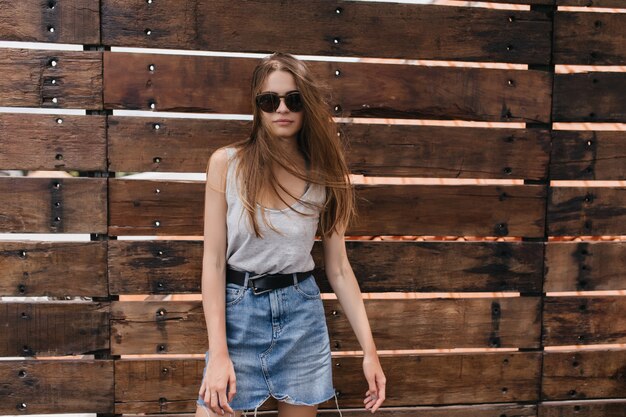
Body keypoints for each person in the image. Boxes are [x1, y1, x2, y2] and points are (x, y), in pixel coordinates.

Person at [196, 52, 386, 417]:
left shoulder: (325, 175)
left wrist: (370, 352)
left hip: (301, 317)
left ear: (306, 105)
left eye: (293, 100)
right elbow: (214, 261)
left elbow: (340, 269)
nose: (281, 109)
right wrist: (218, 352)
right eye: (270, 101)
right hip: (238, 317)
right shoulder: (227, 164)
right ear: (258, 107)